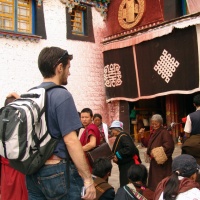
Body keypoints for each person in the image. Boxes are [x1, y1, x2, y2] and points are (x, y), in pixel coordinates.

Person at [25, 47, 96, 200]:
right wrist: (88, 179)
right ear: (59, 67)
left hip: (32, 173)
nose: (69, 72)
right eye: (68, 67)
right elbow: (71, 141)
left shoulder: (31, 94)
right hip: (56, 171)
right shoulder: (61, 95)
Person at [1, 93, 28, 200]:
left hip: (5, 168)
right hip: (20, 167)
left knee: (7, 195)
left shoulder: (2, 122)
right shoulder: (22, 122)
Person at [139, 114, 174, 191]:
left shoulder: (164, 132)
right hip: (154, 162)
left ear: (161, 123)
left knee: (162, 181)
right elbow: (147, 144)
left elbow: (169, 146)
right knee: (154, 181)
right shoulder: (154, 132)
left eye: (156, 123)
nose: (154, 125)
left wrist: (156, 152)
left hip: (163, 163)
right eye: (153, 123)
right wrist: (142, 135)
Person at [110, 120, 141, 187]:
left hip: (128, 165)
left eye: (112, 129)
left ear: (116, 129)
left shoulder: (123, 136)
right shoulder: (121, 136)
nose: (112, 131)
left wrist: (117, 155)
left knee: (127, 182)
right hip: (125, 164)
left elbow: (129, 148)